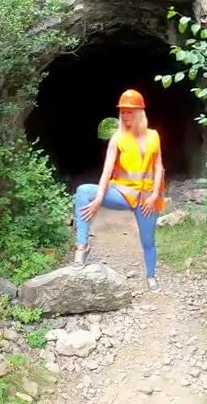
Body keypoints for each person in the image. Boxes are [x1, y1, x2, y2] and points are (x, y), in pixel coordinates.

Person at [71, 89, 166, 292]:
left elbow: (159, 167)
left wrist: (154, 196)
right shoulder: (117, 138)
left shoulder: (153, 136)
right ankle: (82, 247)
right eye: (123, 111)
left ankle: (151, 276)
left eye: (130, 111)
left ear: (139, 112)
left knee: (148, 241)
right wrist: (98, 199)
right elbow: (107, 171)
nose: (125, 115)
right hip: (122, 193)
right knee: (83, 192)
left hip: (147, 199)